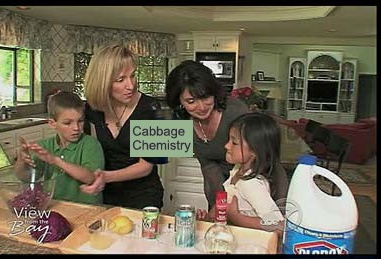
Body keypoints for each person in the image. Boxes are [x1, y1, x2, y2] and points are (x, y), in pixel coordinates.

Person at [80, 44, 167, 210]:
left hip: (144, 197)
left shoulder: (152, 108)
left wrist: (105, 177)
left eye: (133, 76)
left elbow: (145, 167)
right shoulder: (92, 109)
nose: (131, 85)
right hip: (105, 196)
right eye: (120, 80)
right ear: (102, 82)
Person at [165, 60, 248, 209]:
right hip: (217, 191)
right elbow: (208, 166)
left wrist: (227, 204)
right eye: (191, 101)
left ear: (214, 92)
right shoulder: (181, 122)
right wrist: (216, 208)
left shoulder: (236, 112)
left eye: (205, 97)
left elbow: (256, 161)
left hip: (248, 191)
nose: (201, 107)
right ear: (179, 101)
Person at [196, 112, 289, 234]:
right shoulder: (237, 170)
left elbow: (278, 225)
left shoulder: (251, 184)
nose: (226, 146)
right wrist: (208, 219)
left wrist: (236, 217)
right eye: (228, 140)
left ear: (255, 151)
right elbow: (226, 202)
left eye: (234, 143)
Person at [15, 91, 105, 205]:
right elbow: (27, 178)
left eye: (80, 121)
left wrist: (55, 160)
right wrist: (21, 160)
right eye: (67, 123)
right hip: (55, 207)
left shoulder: (91, 145)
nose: (76, 128)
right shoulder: (45, 146)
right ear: (52, 123)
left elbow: (91, 178)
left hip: (87, 209)